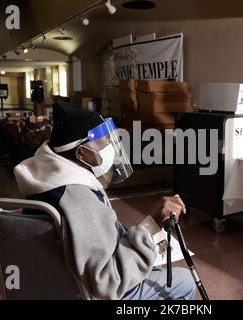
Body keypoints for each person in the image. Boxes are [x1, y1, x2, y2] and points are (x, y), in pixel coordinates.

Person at [14, 101, 196, 300]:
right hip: (96, 292)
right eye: (103, 140)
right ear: (81, 152)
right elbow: (108, 282)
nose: (110, 145)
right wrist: (151, 224)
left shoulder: (47, 179)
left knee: (154, 267)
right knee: (184, 281)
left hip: (58, 281)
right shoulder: (78, 198)